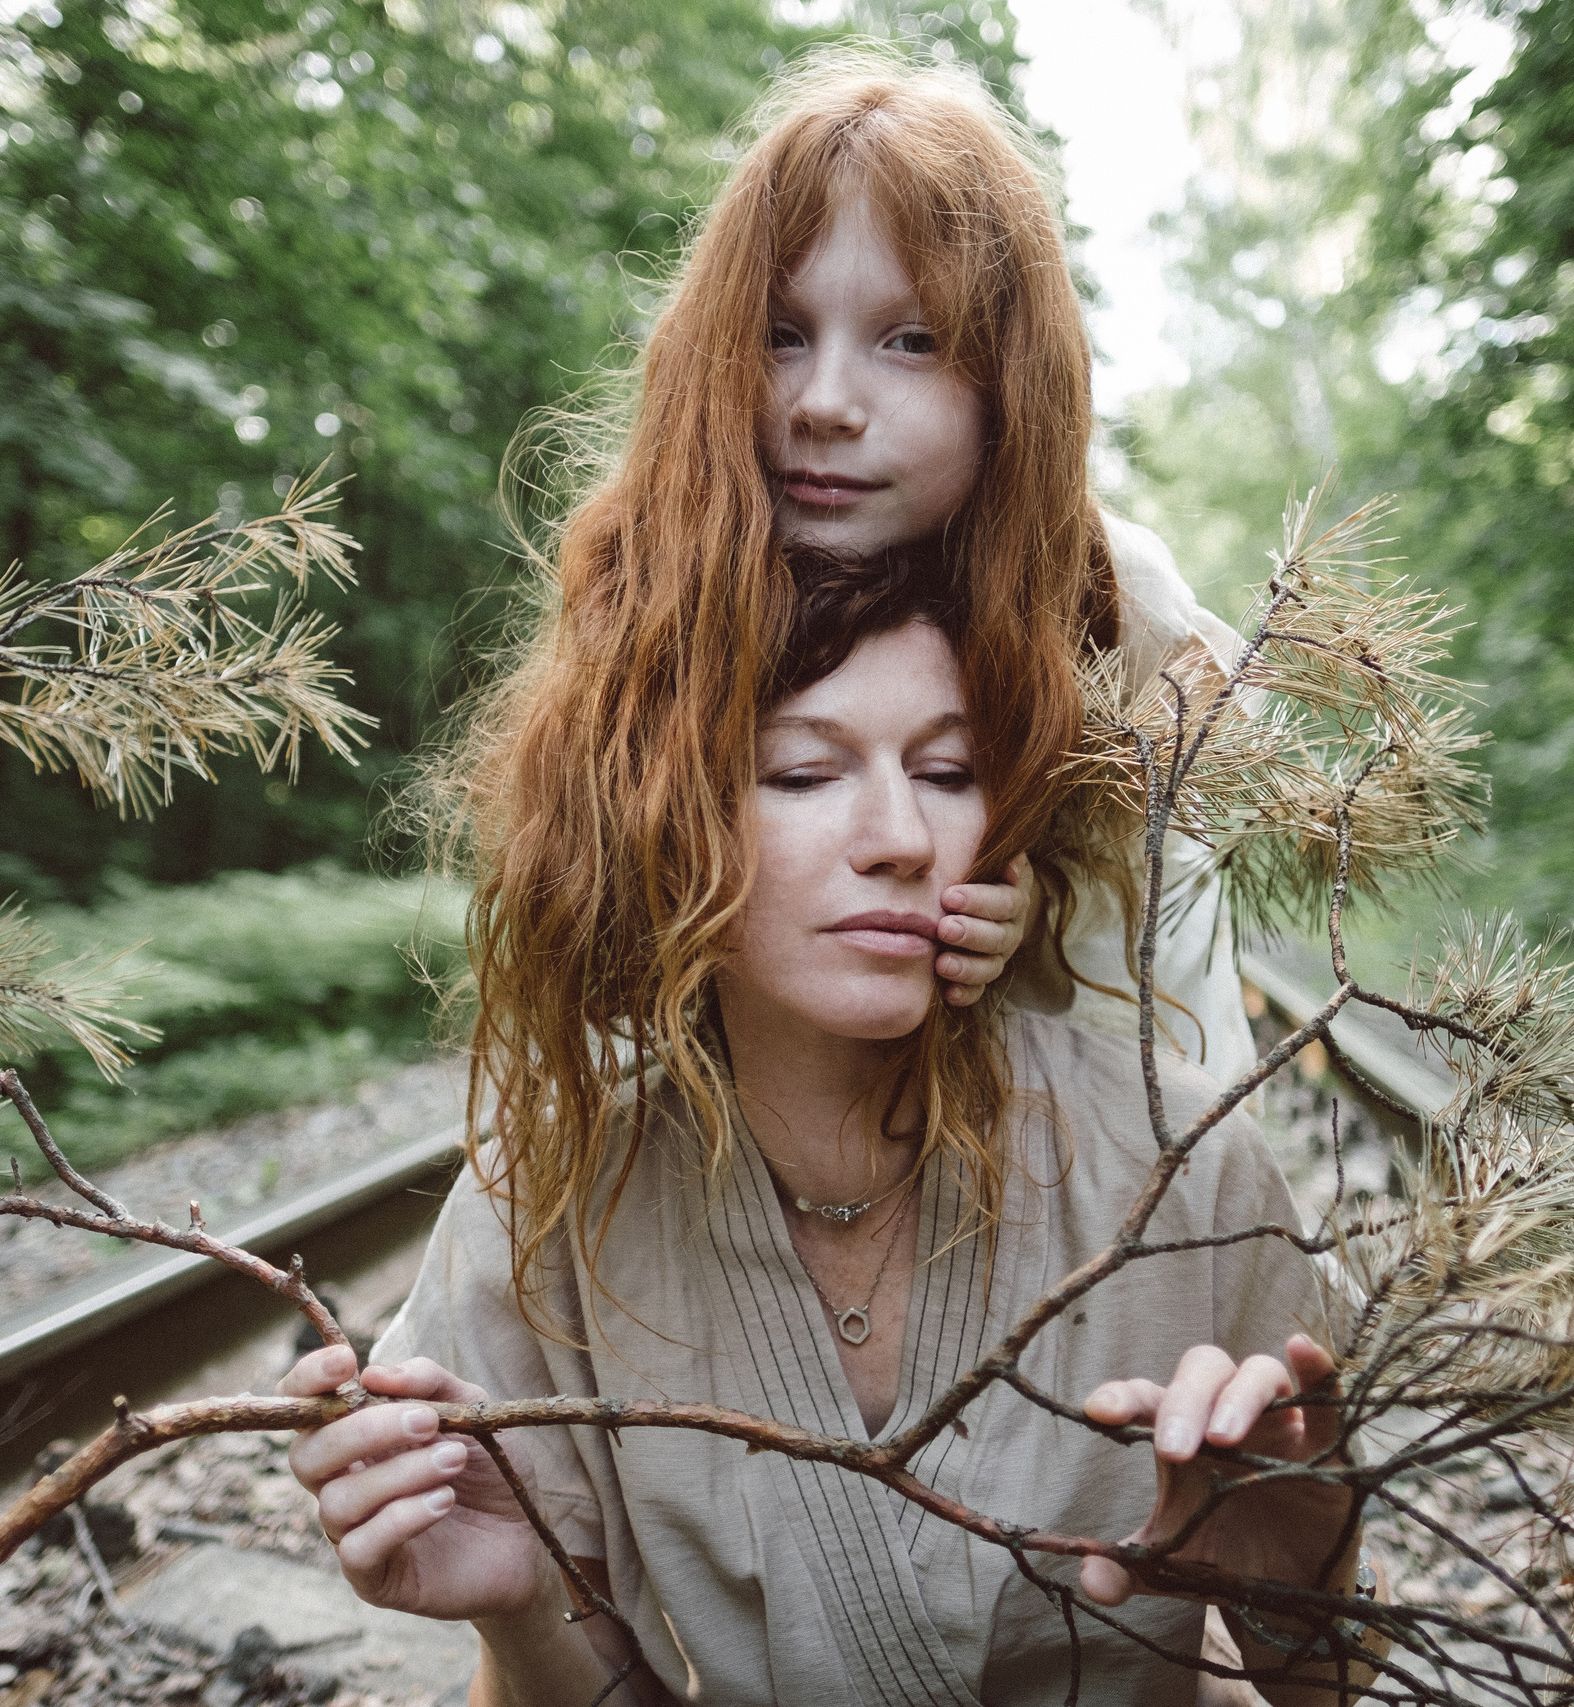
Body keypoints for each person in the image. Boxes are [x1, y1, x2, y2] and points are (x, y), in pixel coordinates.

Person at [281, 54, 1363, 1706]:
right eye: (783, 334)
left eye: (909, 340)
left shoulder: (1098, 593)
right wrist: (521, 1610)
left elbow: (1270, 788)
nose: (827, 401)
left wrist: (1042, 910)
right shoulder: (663, 580)